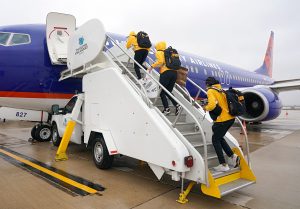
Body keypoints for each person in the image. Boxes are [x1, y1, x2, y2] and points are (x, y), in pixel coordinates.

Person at [204, 76, 240, 172]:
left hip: (222, 120)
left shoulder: (210, 91)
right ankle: (233, 156)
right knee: (220, 137)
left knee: (215, 140)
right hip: (230, 118)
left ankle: (223, 164)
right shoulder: (221, 90)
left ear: (208, 84)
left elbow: (212, 105)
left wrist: (205, 108)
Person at [147, 41, 181, 116]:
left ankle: (167, 109)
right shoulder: (169, 53)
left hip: (166, 73)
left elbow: (160, 62)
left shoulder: (159, 52)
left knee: (161, 92)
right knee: (168, 91)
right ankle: (177, 105)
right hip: (174, 73)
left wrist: (152, 66)